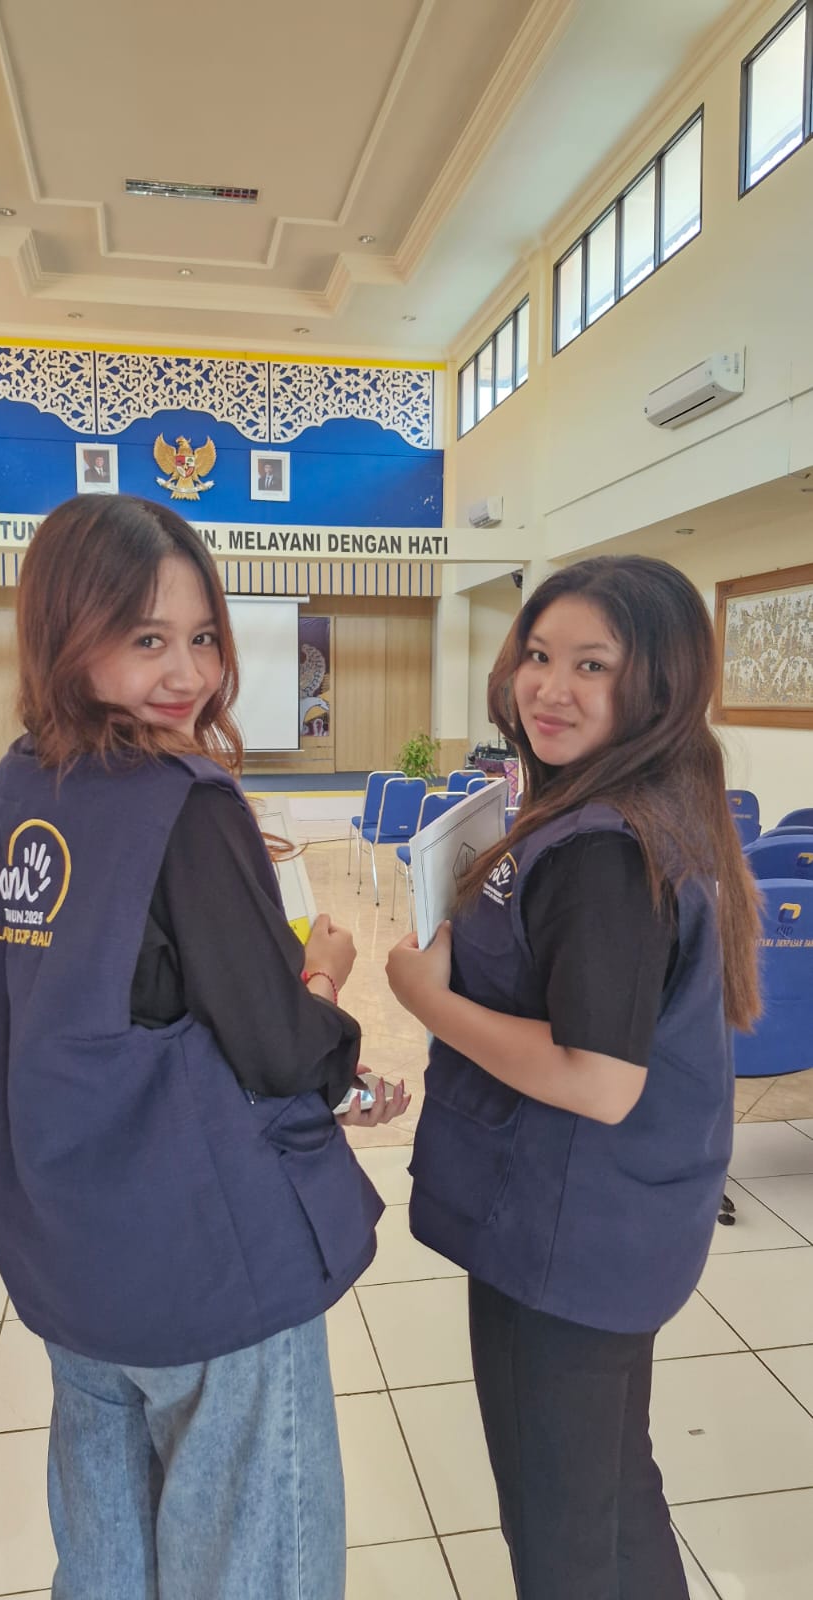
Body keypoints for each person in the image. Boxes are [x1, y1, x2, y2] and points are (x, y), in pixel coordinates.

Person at [0, 494, 409, 1600]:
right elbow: (277, 1046)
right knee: (250, 1567)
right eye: (145, 637)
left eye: (203, 637)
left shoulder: (20, 780)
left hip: (72, 1248)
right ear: (68, 632)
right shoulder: (184, 803)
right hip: (203, 1264)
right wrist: (327, 972)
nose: (188, 673)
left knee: (108, 1565)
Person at [386, 555, 761, 1600]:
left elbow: (600, 1081)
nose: (549, 688)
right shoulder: (644, 801)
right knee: (612, 1489)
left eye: (592, 665)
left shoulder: (604, 849)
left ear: (658, 684)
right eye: (540, 656)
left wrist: (424, 998)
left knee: (559, 1533)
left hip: (568, 1240)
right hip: (616, 1228)